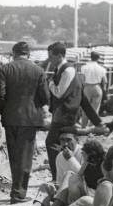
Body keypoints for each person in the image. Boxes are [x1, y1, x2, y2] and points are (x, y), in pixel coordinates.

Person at [46, 42, 108, 181]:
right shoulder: (65, 70)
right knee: (64, 146)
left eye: (51, 56)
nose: (49, 59)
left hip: (65, 115)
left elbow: (59, 93)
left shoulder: (67, 71)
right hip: (66, 115)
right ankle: (66, 175)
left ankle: (59, 177)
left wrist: (49, 83)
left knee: (53, 144)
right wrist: (97, 121)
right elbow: (83, 99)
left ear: (60, 55)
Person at [0, 42, 49, 203]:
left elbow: (0, 94)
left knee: (13, 156)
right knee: (25, 157)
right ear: (29, 54)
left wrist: (4, 111)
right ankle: (19, 194)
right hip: (30, 119)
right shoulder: (38, 70)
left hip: (10, 118)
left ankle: (16, 191)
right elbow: (45, 97)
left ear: (14, 53)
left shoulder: (5, 69)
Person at [79, 51, 107, 127]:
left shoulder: (84, 67)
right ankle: (93, 126)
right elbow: (105, 81)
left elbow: (81, 79)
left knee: (85, 108)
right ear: (98, 58)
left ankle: (83, 125)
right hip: (97, 87)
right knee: (95, 109)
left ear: (90, 57)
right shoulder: (101, 68)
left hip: (87, 87)